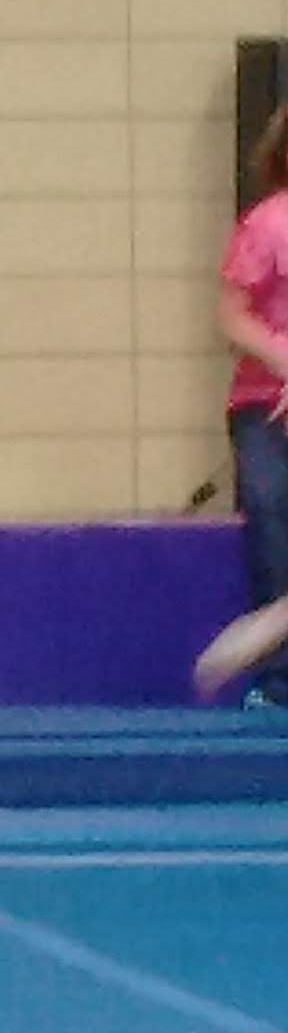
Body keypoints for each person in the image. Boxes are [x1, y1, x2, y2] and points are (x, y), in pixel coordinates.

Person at [218, 102, 288, 706]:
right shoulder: (268, 225)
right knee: (271, 519)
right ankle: (279, 679)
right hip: (267, 403)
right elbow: (232, 318)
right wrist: (283, 359)